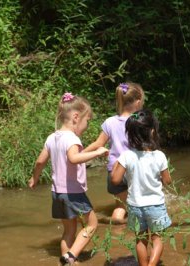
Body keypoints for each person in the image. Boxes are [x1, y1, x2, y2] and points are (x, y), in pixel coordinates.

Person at [28, 92, 108, 265]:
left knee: (69, 230)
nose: (87, 125)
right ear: (76, 117)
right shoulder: (72, 138)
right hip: (73, 192)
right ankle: (70, 256)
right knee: (92, 224)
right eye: (87, 121)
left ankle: (67, 261)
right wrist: (97, 152)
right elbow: (73, 158)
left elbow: (40, 161)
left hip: (57, 193)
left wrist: (34, 178)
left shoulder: (52, 137)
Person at [111, 109, 172, 266]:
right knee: (157, 238)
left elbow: (115, 180)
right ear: (152, 131)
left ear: (131, 134)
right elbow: (168, 181)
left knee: (141, 239)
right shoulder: (159, 155)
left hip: (135, 206)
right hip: (156, 205)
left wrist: (117, 162)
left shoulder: (127, 156)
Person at [84, 82, 145, 223]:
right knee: (141, 204)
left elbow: (98, 144)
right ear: (138, 102)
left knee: (120, 207)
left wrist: (80, 154)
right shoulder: (139, 121)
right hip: (134, 169)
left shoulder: (110, 122)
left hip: (114, 171)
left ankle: (116, 227)